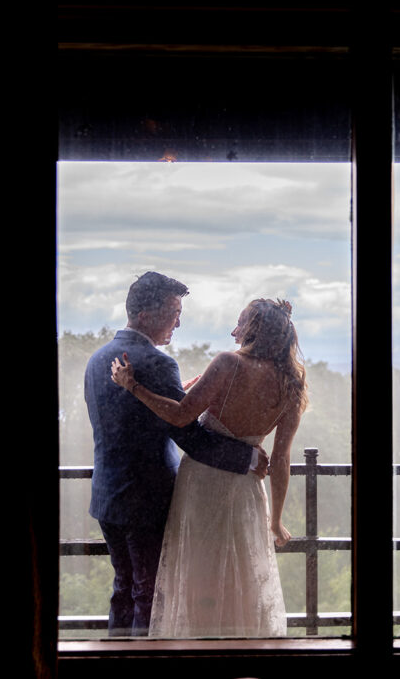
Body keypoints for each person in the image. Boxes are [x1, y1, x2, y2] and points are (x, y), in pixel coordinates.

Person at [110, 298, 308, 638]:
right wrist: (275, 520)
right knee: (240, 578)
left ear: (255, 330)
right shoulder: (292, 384)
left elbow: (180, 416)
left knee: (200, 574)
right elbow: (281, 460)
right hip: (247, 491)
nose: (234, 331)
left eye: (241, 323)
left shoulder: (228, 364)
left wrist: (134, 386)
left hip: (203, 485)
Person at [84, 272, 267, 637]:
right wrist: (248, 458)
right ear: (146, 316)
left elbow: (129, 421)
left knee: (123, 589)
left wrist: (181, 393)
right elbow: (191, 438)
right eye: (173, 312)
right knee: (147, 595)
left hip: (107, 498)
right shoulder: (158, 364)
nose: (179, 322)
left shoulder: (98, 358)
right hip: (147, 500)